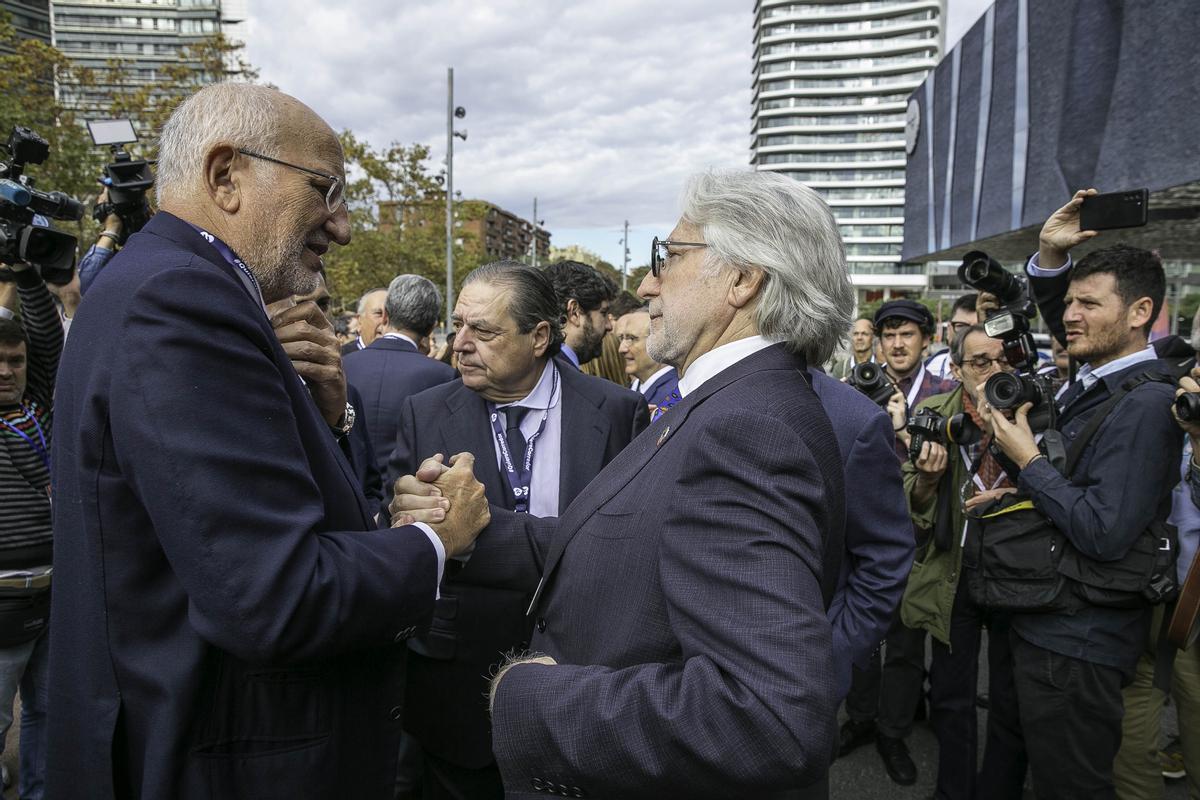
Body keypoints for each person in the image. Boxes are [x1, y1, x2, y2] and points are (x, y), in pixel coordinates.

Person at [46, 82, 491, 800]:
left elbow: (231, 531)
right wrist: (438, 540)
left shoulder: (165, 284)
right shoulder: (181, 300)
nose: (342, 226)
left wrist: (331, 426)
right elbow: (274, 595)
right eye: (326, 190)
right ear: (226, 177)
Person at [393, 169, 855, 798]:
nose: (645, 283)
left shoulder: (746, 427)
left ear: (744, 280)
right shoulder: (729, 405)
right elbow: (621, 544)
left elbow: (768, 719)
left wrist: (532, 697)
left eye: (669, 257)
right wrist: (470, 532)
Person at [389, 259, 649, 799]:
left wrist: (475, 534)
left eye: (482, 330)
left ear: (539, 337)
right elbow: (397, 530)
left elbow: (626, 545)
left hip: (579, 681)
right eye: (457, 325)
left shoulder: (618, 412)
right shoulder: (423, 412)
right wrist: (399, 514)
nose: (459, 343)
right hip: (456, 691)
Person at [981, 189, 1183, 798]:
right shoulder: (1095, 375)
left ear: (1140, 311)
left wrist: (1028, 462)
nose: (1069, 316)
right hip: (1048, 623)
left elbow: (1104, 529)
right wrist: (1049, 254)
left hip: (1081, 642)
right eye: (1067, 301)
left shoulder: (1147, 402)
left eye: (1089, 304)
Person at [900, 324, 1027, 800]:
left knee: (1009, 698)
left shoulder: (1032, 411)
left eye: (1002, 361)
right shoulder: (935, 413)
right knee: (952, 696)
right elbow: (910, 499)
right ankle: (953, 791)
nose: (994, 371)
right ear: (955, 370)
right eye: (979, 363)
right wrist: (930, 482)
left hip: (1018, 572)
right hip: (953, 569)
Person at [841, 298, 957, 786]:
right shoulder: (858, 388)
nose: (896, 343)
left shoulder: (947, 394)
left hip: (920, 539)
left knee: (907, 646)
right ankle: (861, 719)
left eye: (907, 334)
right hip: (863, 538)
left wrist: (904, 430)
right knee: (861, 638)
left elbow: (947, 466)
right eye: (889, 335)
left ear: (926, 340)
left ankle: (893, 730)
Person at [806, 367, 913, 702]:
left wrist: (837, 654)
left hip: (802, 670)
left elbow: (884, 555)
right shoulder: (687, 400)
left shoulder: (852, 419)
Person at [0, 260, 62, 800]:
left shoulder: (37, 410)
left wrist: (27, 278)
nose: (7, 371)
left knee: (46, 714)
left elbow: (47, 340)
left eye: (15, 361)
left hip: (51, 598)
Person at [344, 274, 456, 479]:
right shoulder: (445, 376)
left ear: (385, 316)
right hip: (410, 498)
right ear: (432, 326)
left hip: (348, 492)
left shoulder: (343, 366)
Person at [543, 260, 615, 369]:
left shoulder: (537, 370)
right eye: (603, 313)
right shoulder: (564, 379)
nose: (609, 326)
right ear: (574, 312)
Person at [614, 304, 678, 408]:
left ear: (658, 341)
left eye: (631, 338)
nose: (622, 349)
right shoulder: (635, 388)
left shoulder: (674, 395)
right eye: (622, 338)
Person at [926, 293, 978, 380]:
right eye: (961, 326)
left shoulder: (1000, 371)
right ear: (949, 330)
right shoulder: (927, 370)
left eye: (978, 328)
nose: (969, 334)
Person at [341, 286, 387, 354]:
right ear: (360, 322)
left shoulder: (404, 357)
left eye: (392, 315)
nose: (386, 320)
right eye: (379, 313)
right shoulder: (340, 358)